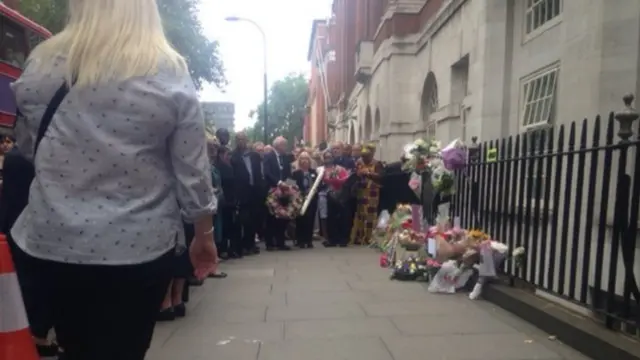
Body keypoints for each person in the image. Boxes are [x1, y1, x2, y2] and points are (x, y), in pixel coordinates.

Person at [9, 0, 218, 359]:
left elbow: (28, 149)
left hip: (52, 241)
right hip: (138, 247)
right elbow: (193, 171)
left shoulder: (42, 64)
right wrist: (204, 234)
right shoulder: (167, 69)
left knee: (74, 344)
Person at [230, 132, 263, 256]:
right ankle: (243, 245)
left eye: (243, 139)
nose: (241, 142)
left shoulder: (254, 155)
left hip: (254, 191)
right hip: (242, 193)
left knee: (254, 219)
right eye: (238, 139)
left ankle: (250, 244)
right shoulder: (233, 156)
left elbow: (258, 173)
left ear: (247, 140)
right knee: (244, 220)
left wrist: (260, 189)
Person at [263, 136, 293, 250]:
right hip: (272, 189)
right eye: (284, 145)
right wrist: (279, 183)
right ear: (277, 145)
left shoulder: (285, 158)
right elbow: (267, 173)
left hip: (284, 191)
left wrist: (289, 185)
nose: (286, 147)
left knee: (283, 216)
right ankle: (269, 243)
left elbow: (289, 173)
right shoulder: (268, 156)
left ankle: (281, 242)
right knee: (271, 217)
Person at [350, 143, 383, 245]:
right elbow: (355, 174)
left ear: (372, 155)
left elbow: (381, 177)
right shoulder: (359, 162)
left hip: (372, 192)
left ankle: (369, 237)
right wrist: (358, 173)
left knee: (370, 215)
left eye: (366, 156)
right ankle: (360, 237)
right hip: (361, 191)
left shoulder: (377, 163)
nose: (364, 158)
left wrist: (368, 173)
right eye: (363, 156)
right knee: (361, 214)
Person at [321, 150, 349, 247]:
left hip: (340, 194)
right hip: (328, 195)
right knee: (330, 218)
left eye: (330, 157)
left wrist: (338, 181)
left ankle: (342, 239)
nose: (328, 159)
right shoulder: (321, 170)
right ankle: (332, 239)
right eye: (326, 157)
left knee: (342, 217)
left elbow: (346, 178)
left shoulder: (340, 169)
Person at [292, 152, 318, 248]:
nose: (304, 161)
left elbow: (317, 185)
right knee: (301, 219)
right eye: (302, 158)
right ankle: (300, 240)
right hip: (300, 198)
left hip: (312, 199)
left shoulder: (314, 172)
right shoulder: (295, 173)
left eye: (306, 158)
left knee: (310, 219)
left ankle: (309, 240)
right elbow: (292, 185)